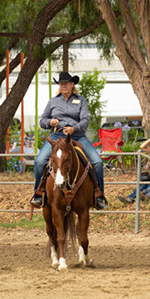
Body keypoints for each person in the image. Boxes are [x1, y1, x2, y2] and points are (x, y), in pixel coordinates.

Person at [31, 72, 107, 209]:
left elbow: (85, 121)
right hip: (57, 137)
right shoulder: (53, 101)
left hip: (77, 136)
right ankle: (39, 193)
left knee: (98, 162)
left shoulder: (81, 100)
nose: (64, 85)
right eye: (61, 83)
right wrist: (50, 121)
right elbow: (42, 121)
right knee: (39, 161)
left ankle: (98, 195)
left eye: (66, 83)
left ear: (72, 84)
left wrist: (74, 128)